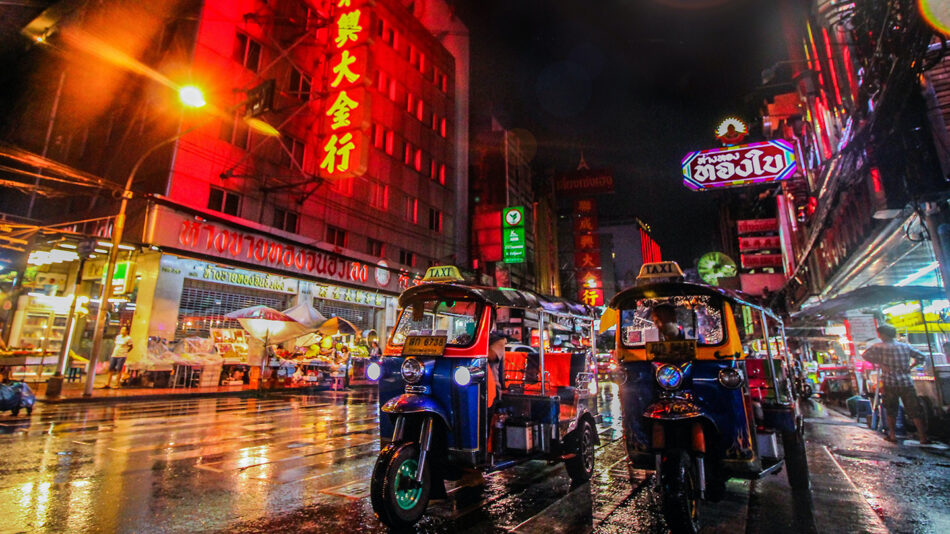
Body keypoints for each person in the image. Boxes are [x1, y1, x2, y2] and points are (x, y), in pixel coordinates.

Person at [861, 324, 930, 444]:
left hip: (890, 382)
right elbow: (921, 356)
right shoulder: (905, 346)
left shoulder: (879, 347)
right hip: (906, 382)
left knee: (891, 409)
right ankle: (922, 437)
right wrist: (910, 366)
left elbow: (865, 355)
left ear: (883, 334)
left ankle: (892, 435)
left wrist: (880, 363)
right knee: (914, 410)